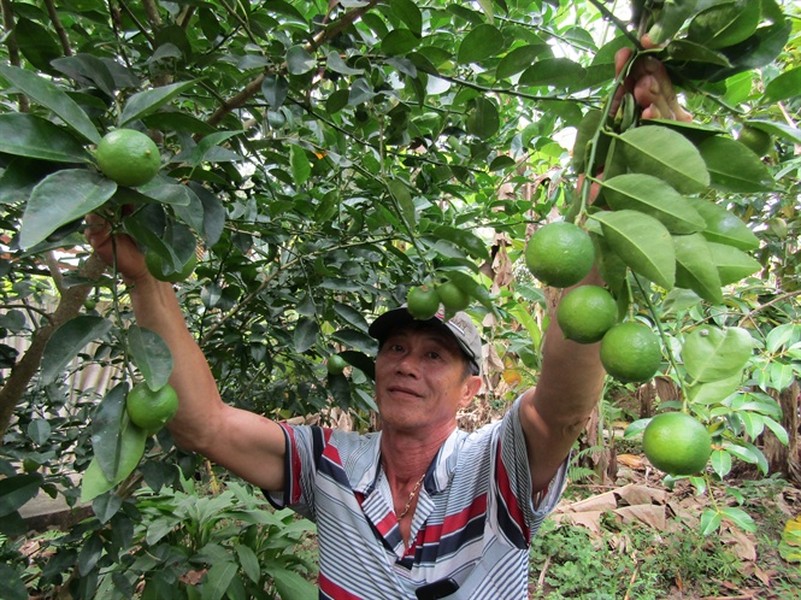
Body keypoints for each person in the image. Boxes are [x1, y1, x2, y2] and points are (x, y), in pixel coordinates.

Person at [86, 47, 690, 599]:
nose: (406, 362)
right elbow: (205, 427)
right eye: (396, 347)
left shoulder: (495, 468)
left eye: (434, 356)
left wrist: (611, 214)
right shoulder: (328, 464)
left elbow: (559, 407)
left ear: (470, 388)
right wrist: (147, 280)